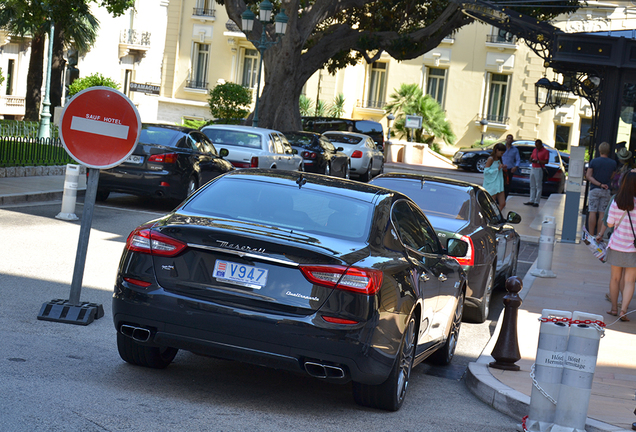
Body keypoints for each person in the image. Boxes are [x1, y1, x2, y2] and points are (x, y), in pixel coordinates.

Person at [597, 171, 636, 322]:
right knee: (629, 281)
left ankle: (614, 308)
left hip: (616, 245)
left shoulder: (616, 201)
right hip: (633, 248)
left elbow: (609, 224)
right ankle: (623, 311)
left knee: (614, 278)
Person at [586, 142, 617, 236]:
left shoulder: (594, 161)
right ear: (608, 151)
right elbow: (612, 176)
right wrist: (604, 184)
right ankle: (599, 235)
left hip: (595, 189)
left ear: (599, 150)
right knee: (602, 214)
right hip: (606, 190)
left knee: (592, 212)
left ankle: (591, 235)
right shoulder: (613, 163)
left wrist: (599, 184)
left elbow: (588, 176)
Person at [524, 139, 549, 207]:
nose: (536, 147)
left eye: (538, 145)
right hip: (533, 167)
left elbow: (546, 161)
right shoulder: (535, 150)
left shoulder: (545, 151)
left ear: (541, 145)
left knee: (538, 185)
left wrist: (538, 161)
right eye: (536, 145)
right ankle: (531, 200)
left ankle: (537, 201)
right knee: (532, 185)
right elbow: (531, 157)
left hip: (539, 169)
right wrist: (531, 160)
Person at [483, 142, 506, 211]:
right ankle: (491, 217)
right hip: (492, 183)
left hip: (499, 183)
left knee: (502, 203)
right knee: (491, 203)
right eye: (501, 153)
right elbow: (486, 171)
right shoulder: (491, 159)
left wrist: (502, 168)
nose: (502, 155)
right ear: (497, 150)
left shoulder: (499, 159)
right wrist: (497, 169)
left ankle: (496, 216)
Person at [501, 134, 520, 199]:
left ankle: (504, 199)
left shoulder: (515, 150)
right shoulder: (502, 148)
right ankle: (498, 200)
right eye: (508, 138)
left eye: (511, 138)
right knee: (500, 184)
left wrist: (515, 167)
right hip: (501, 169)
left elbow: (518, 159)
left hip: (509, 170)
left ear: (512, 140)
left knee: (507, 185)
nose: (509, 140)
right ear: (506, 139)